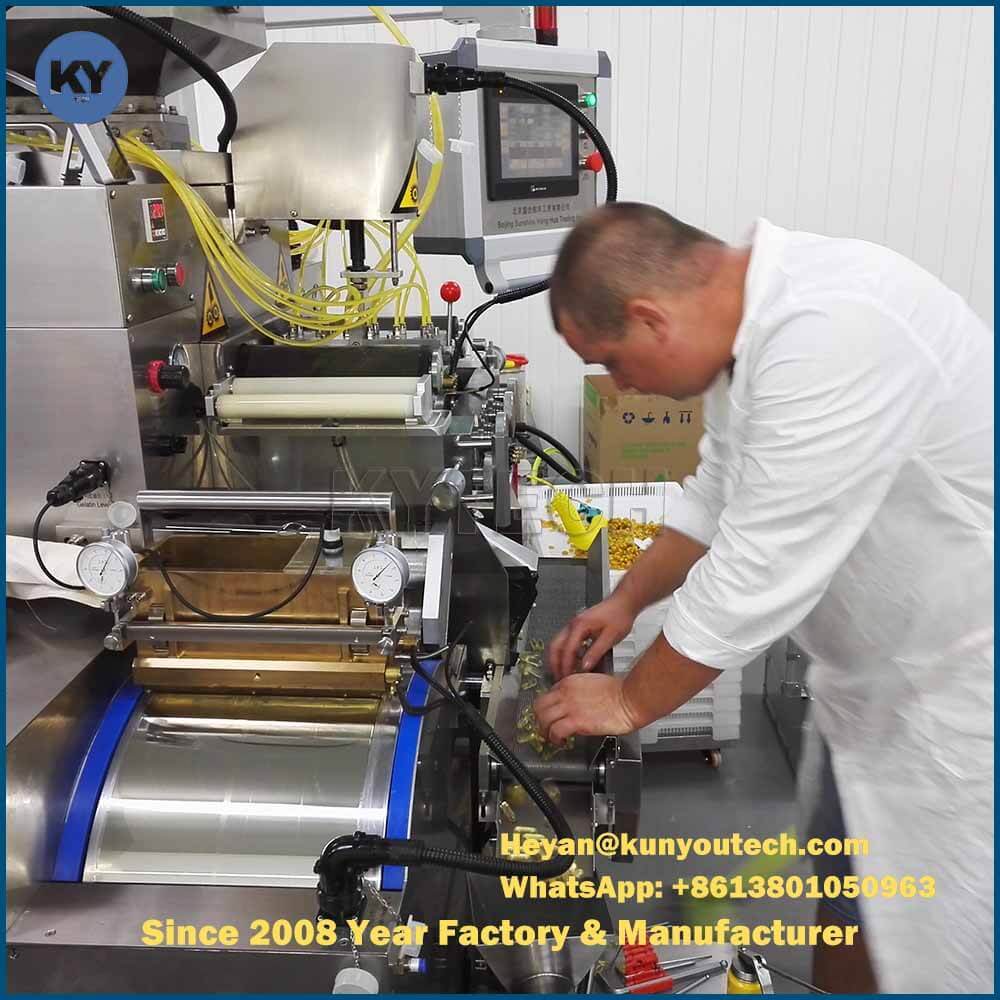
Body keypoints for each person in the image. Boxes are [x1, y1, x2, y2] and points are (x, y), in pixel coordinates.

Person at [533, 204, 993, 994]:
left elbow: (756, 568)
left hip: (961, 699)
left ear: (651, 319)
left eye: (612, 360)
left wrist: (630, 701)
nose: (620, 385)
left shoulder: (832, 331)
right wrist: (625, 602)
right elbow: (718, 494)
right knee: (855, 894)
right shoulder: (753, 335)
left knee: (941, 938)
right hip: (877, 689)